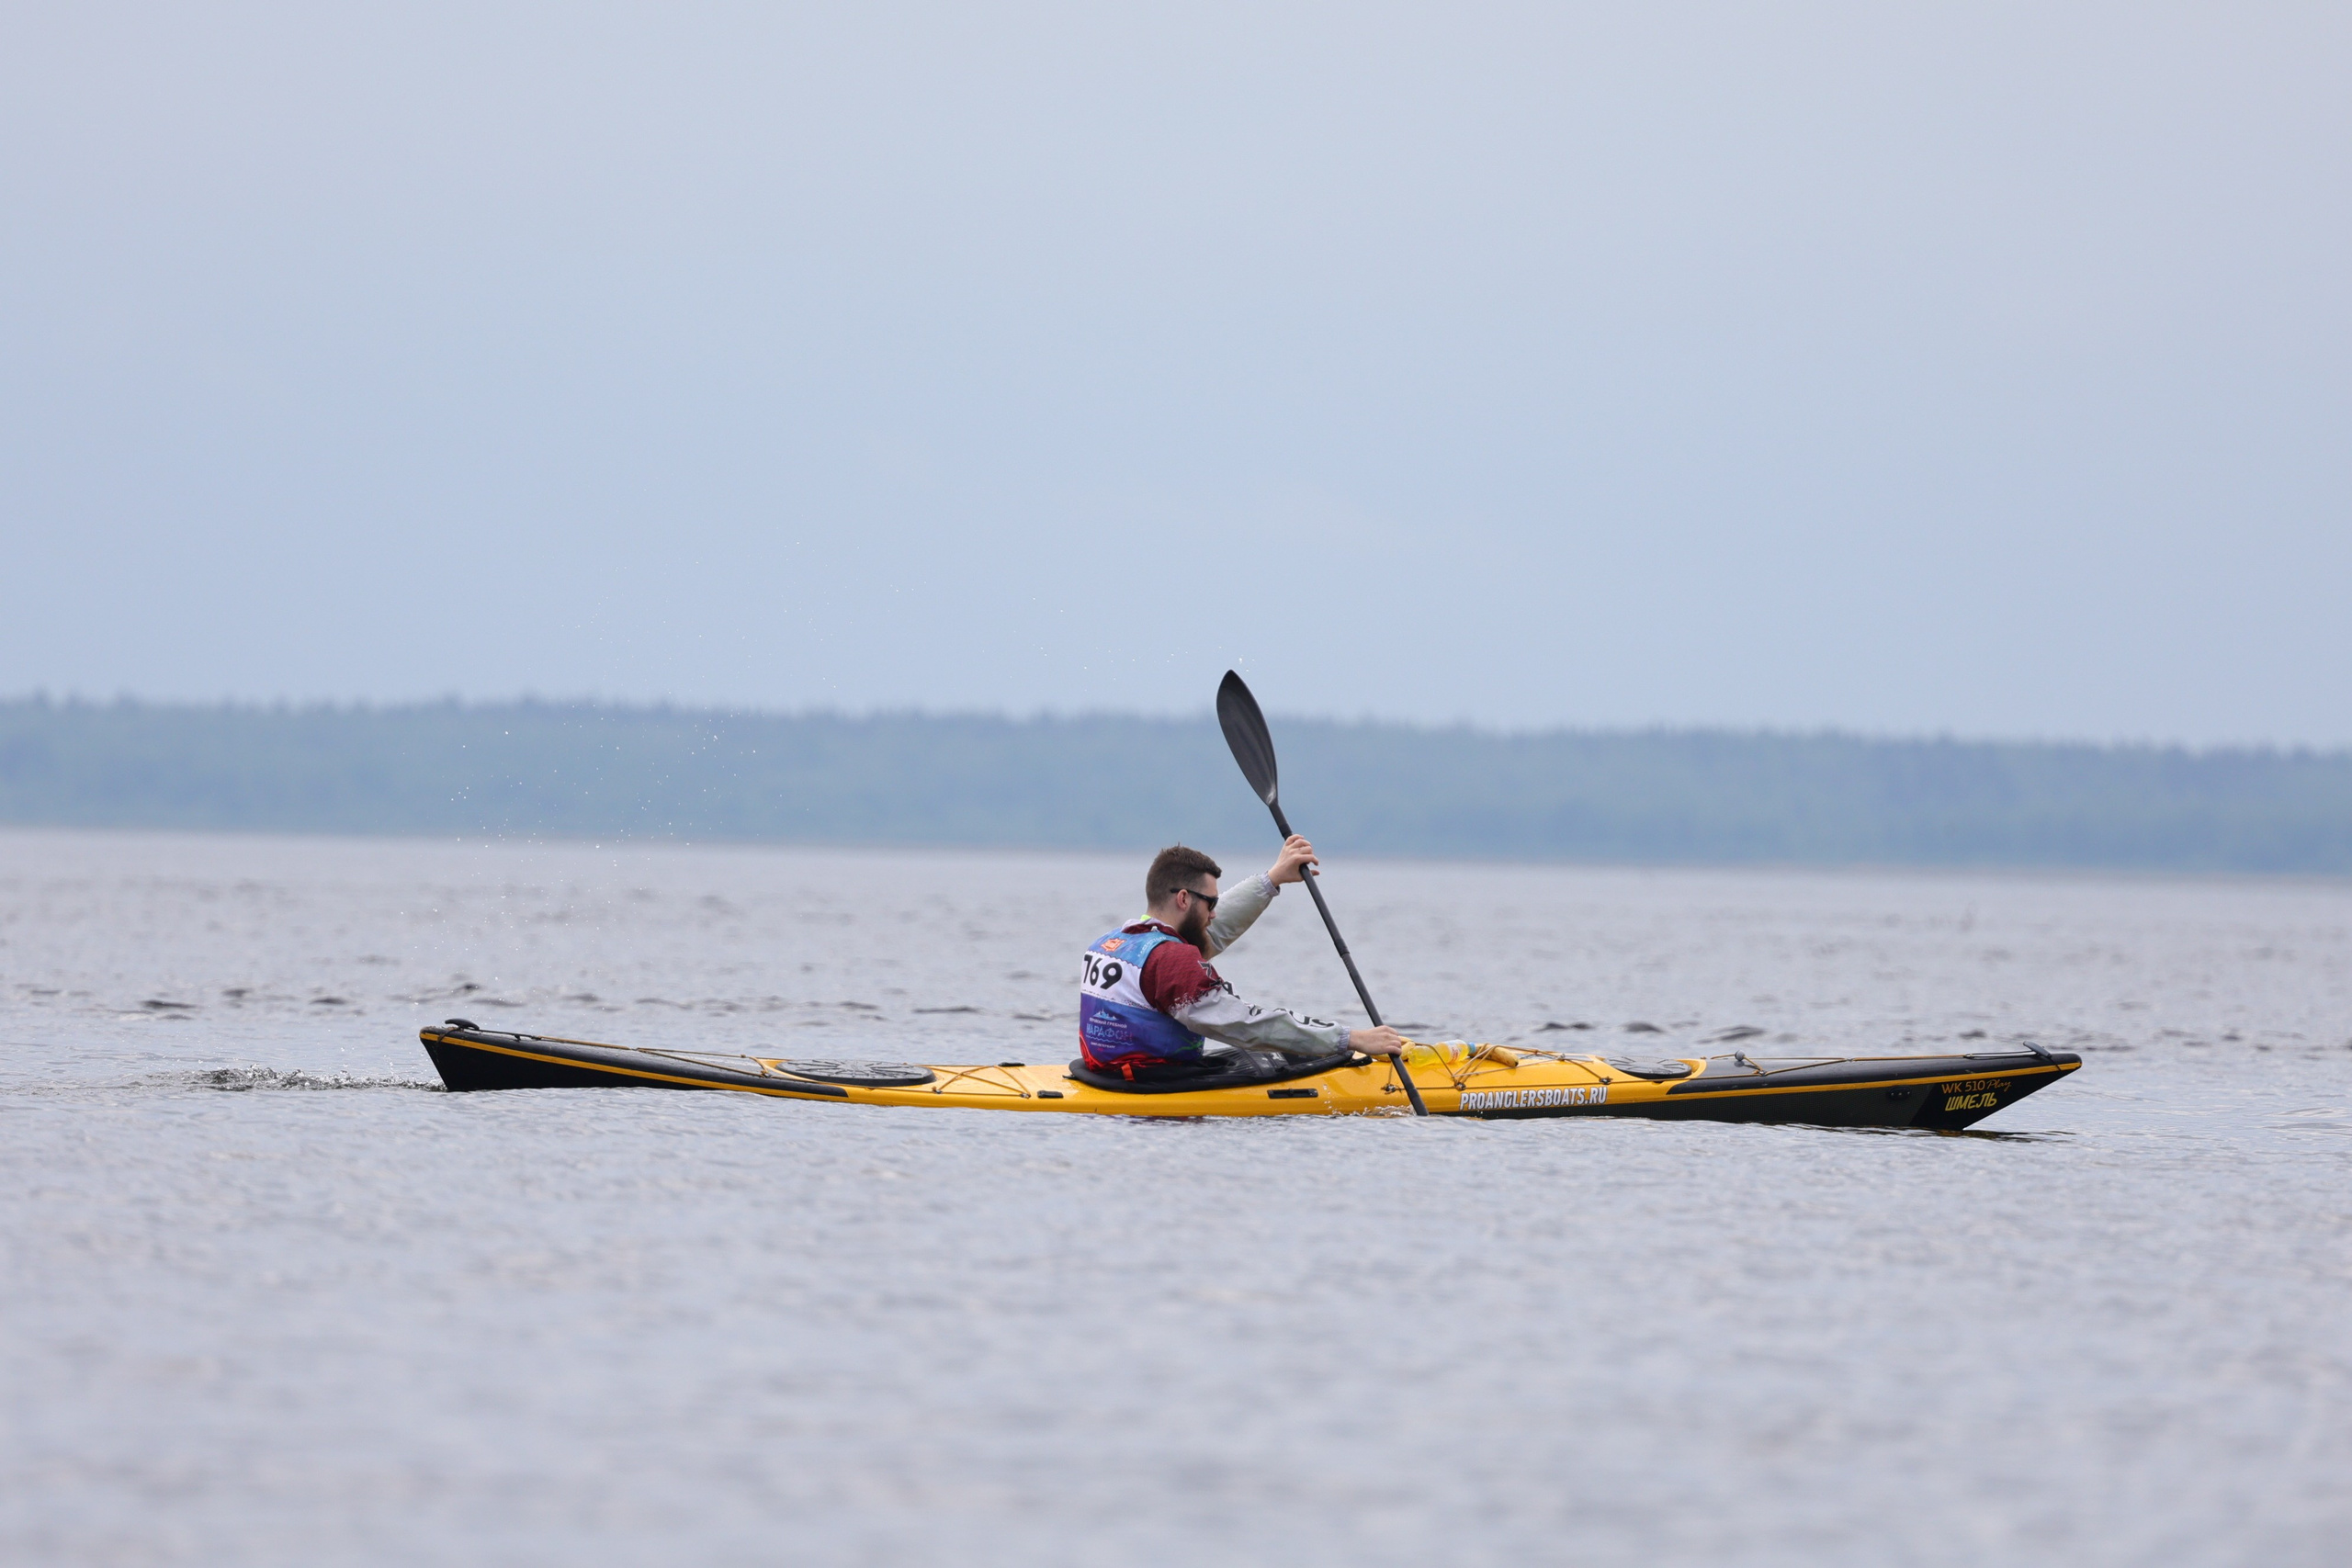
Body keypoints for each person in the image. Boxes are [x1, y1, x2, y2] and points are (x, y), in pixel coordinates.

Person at [1078, 840, 1408, 1080]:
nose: (1214, 912)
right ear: (1183, 899)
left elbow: (1209, 932)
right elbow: (1245, 1026)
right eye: (1210, 902)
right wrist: (1352, 1038)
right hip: (1155, 1086)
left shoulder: (1112, 943)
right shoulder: (1170, 959)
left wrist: (1272, 879)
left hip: (1106, 1074)